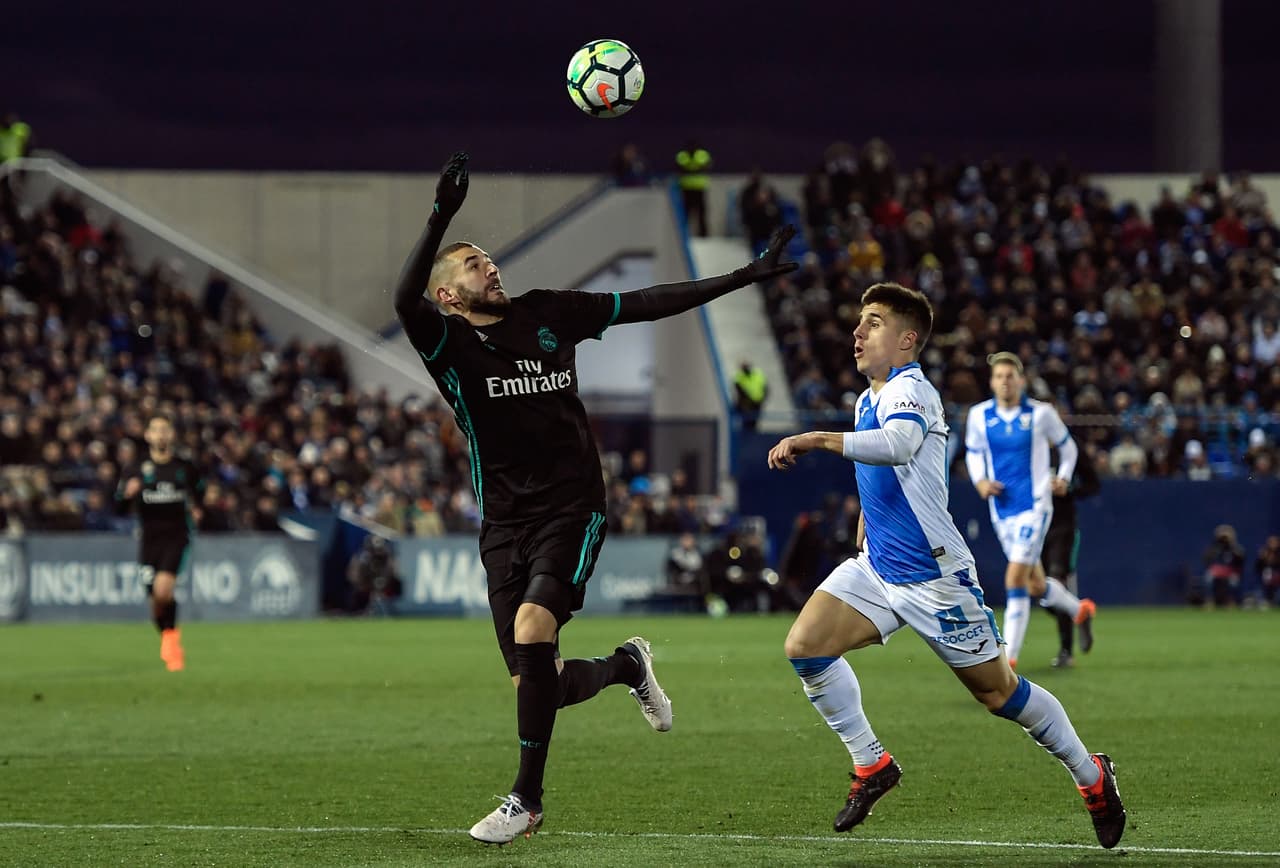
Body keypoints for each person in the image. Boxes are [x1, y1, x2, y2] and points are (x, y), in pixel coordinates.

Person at [393, 151, 798, 845]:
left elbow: (645, 302)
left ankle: (526, 801)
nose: (491, 268)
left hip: (573, 508)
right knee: (538, 684)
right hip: (504, 523)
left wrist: (739, 277)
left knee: (532, 630)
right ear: (450, 297)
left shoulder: (549, 312)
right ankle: (625, 666)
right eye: (474, 266)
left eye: (489, 259)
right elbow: (404, 300)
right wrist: (441, 215)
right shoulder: (448, 344)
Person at [767, 283, 1125, 849]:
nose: (858, 332)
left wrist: (815, 439)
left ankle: (1091, 774)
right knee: (805, 647)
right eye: (859, 321)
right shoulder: (866, 398)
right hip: (879, 567)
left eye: (873, 322)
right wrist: (866, 514)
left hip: (934, 578)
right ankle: (871, 764)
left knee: (1000, 694)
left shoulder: (912, 388)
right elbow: (889, 467)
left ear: (907, 339)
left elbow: (900, 445)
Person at [963, 352, 1096, 668]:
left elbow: (1069, 447)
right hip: (1001, 510)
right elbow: (973, 451)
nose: (1005, 382)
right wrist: (980, 480)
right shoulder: (979, 416)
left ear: (1021, 381)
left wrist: (1064, 477)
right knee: (1036, 583)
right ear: (992, 382)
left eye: (1010, 376)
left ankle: (1007, 660)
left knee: (1015, 577)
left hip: (1035, 507)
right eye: (999, 376)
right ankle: (1080, 610)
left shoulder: (1041, 414)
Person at [114, 414, 203, 672]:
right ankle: (169, 636)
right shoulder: (135, 468)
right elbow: (118, 507)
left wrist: (197, 509)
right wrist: (126, 495)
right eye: (156, 430)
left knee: (163, 590)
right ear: (148, 435)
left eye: (165, 429)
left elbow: (200, 492)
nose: (161, 434)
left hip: (176, 536)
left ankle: (171, 643)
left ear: (171, 434)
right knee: (155, 601)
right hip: (149, 539)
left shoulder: (184, 467)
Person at [1040, 441, 1102, 668]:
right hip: (1033, 528)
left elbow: (1093, 484)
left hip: (1062, 527)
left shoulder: (1069, 448)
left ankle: (1066, 651)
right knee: (1041, 592)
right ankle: (1078, 611)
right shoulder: (1026, 443)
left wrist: (1069, 488)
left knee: (1057, 582)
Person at [675, 140, 712, 237]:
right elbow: (678, 168)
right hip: (686, 188)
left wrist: (690, 169)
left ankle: (703, 234)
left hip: (699, 188)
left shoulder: (702, 155)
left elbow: (707, 167)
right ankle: (684, 234)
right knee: (686, 213)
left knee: (701, 212)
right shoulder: (682, 156)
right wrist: (696, 168)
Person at [733, 360, 768, 432]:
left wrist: (761, 399)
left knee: (754, 423)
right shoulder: (739, 377)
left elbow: (765, 388)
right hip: (746, 405)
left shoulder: (758, 375)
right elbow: (739, 391)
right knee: (746, 424)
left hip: (757, 404)